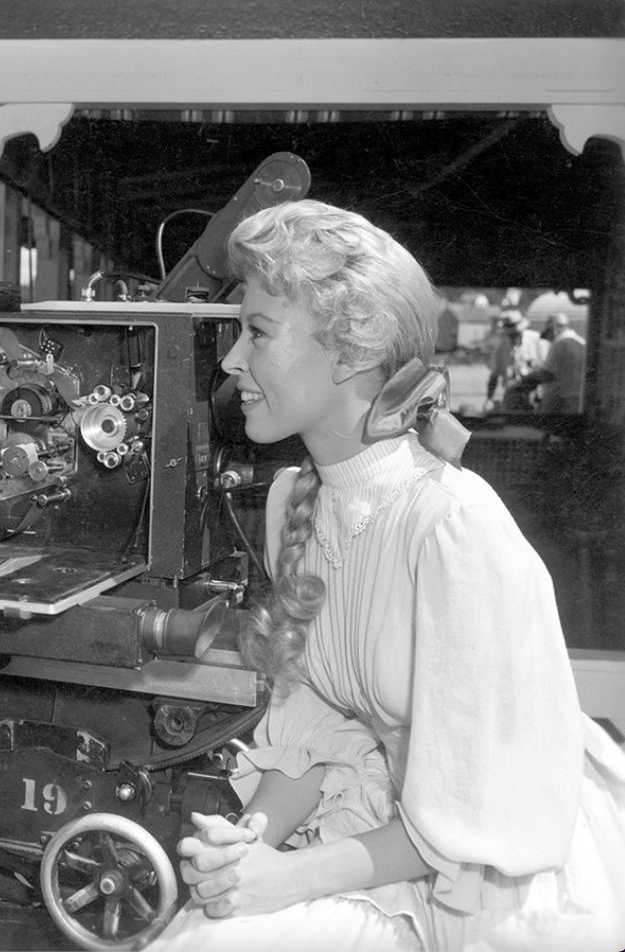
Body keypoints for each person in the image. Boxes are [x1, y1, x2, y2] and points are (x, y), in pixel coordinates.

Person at [147, 200, 625, 951]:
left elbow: (479, 817)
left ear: (349, 354)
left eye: (258, 332)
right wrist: (246, 849)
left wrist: (287, 879)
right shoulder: (294, 505)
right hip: (388, 829)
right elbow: (319, 730)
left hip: (496, 889)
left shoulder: (453, 531)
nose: (231, 359)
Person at [510, 312, 587, 414]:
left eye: (548, 334)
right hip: (578, 400)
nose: (548, 339)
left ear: (553, 329)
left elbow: (547, 374)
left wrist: (522, 383)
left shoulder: (560, 342)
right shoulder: (581, 342)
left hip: (560, 401)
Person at [485, 310, 546, 411]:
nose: (513, 337)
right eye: (510, 334)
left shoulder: (536, 340)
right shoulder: (501, 348)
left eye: (516, 334)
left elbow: (547, 368)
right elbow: (494, 376)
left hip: (534, 395)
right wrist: (489, 398)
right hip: (511, 396)